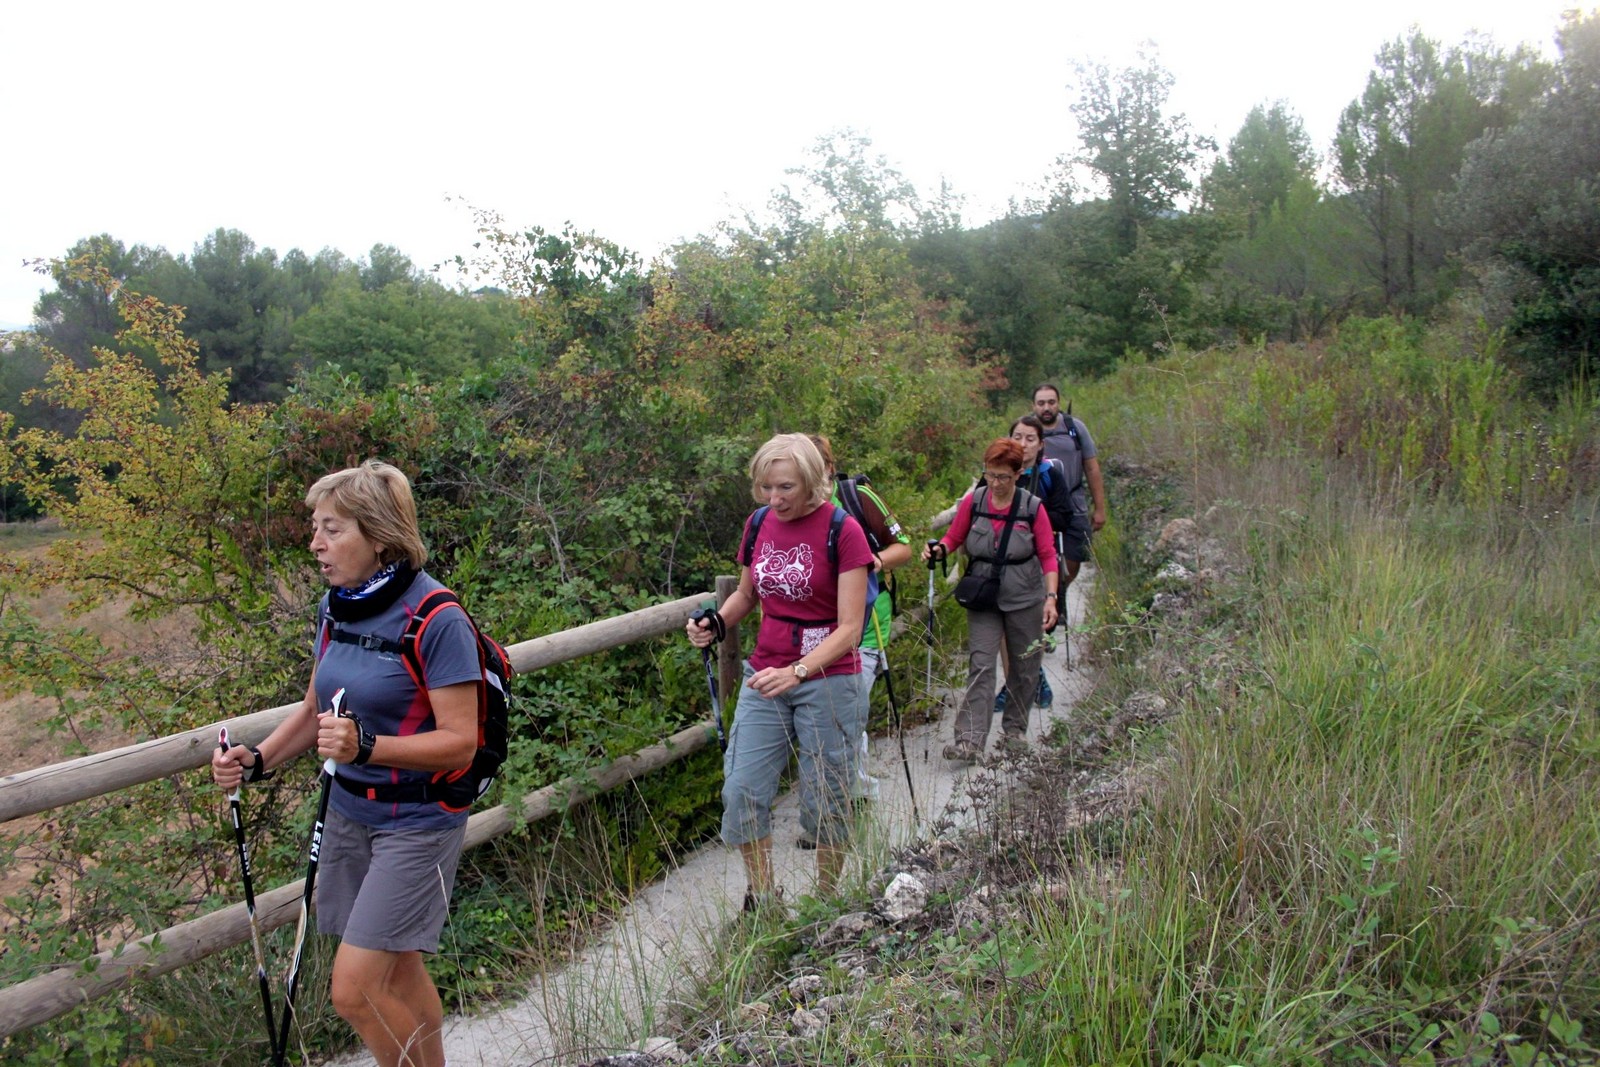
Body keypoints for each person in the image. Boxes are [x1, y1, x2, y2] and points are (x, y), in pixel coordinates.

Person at [213, 461, 481, 1067]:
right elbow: (315, 710)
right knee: (399, 968)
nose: (315, 543)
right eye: (316, 527)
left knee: (355, 990)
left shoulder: (436, 617)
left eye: (332, 529)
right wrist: (256, 761)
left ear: (379, 536)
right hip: (350, 814)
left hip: (417, 822)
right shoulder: (336, 609)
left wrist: (367, 746)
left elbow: (460, 742)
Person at [686, 433, 871, 909]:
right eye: (766, 487)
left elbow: (851, 628)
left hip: (830, 677)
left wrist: (799, 671)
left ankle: (825, 903)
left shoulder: (843, 530)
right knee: (741, 789)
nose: (774, 498)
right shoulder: (759, 523)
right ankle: (763, 898)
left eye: (785, 487)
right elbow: (747, 594)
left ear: (810, 480)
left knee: (826, 795)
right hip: (766, 674)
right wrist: (717, 622)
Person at [924, 438, 1059, 762]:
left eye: (1003, 477)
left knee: (1025, 666)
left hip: (1025, 596)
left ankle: (1014, 731)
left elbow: (1047, 555)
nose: (996, 483)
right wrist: (940, 549)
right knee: (981, 665)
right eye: (990, 474)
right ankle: (969, 741)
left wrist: (1051, 598)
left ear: (1018, 474)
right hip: (984, 595)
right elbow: (954, 536)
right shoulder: (975, 501)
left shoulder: (1032, 508)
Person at [808, 434, 913, 807]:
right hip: (816, 629)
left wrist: (873, 562)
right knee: (826, 712)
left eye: (814, 467)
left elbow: (904, 547)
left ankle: (852, 793)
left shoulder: (857, 497)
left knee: (845, 709)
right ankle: (843, 789)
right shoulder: (793, 510)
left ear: (829, 468)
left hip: (867, 627)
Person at [992, 413, 1071, 712]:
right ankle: (1022, 685)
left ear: (1041, 445)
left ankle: (1031, 681)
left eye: (1030, 439)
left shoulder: (1050, 475)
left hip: (1036, 562)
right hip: (1001, 563)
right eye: (1017, 437)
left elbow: (1064, 517)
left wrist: (1030, 517)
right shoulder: (997, 473)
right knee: (1003, 628)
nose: (1023, 444)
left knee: (1026, 629)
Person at [1031, 383, 1107, 621]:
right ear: (1033, 405)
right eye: (1041, 403)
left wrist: (1100, 508)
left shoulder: (1075, 428)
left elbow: (1092, 467)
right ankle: (1045, 602)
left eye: (1051, 402)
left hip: (1073, 503)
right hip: (1036, 505)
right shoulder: (1027, 430)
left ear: (1058, 403)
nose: (1046, 407)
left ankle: (1058, 591)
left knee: (1075, 557)